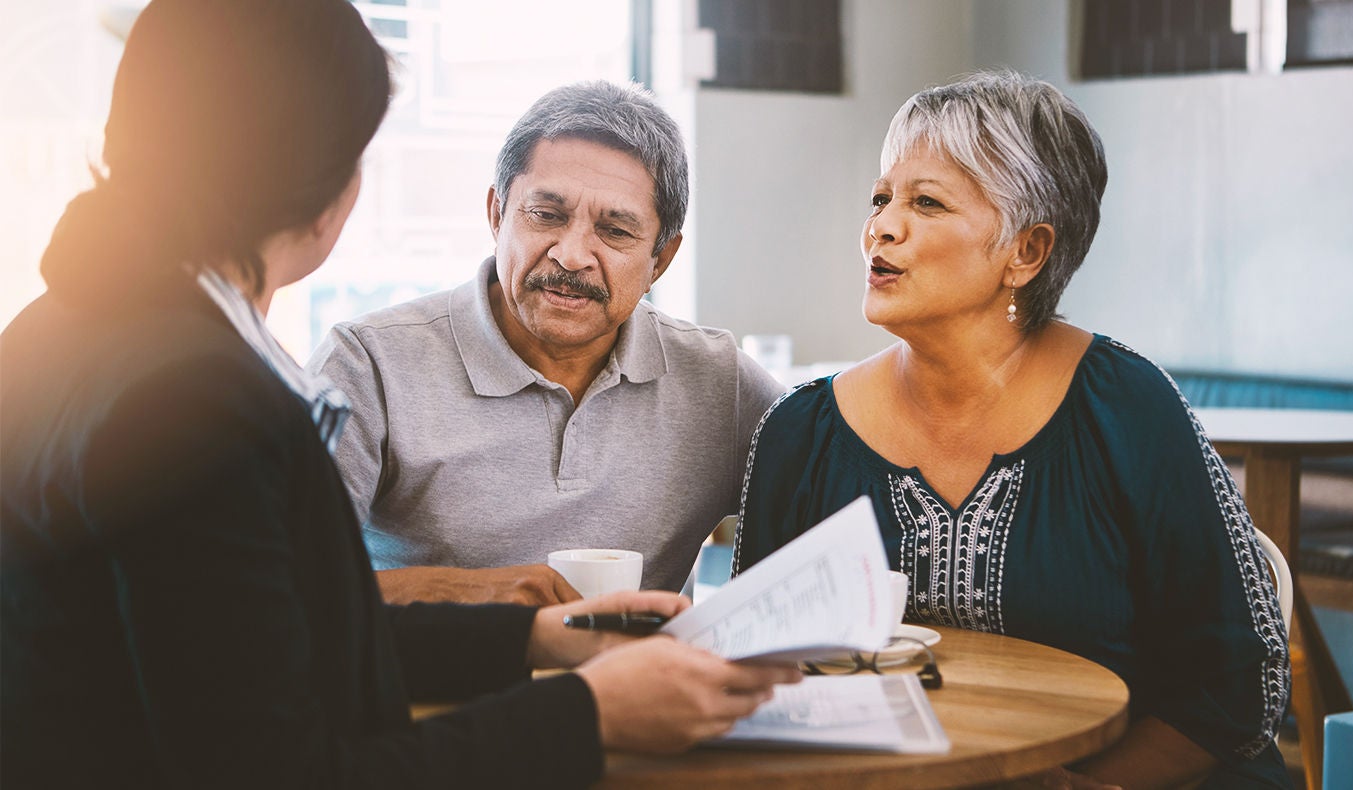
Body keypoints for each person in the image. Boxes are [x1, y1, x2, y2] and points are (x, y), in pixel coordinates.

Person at [0, 2, 798, 787]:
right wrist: (590, 714)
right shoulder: (199, 405)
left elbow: (250, 647)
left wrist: (532, 639)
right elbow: (286, 770)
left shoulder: (58, 329)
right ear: (327, 193)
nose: (572, 253)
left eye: (615, 230)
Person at [730, 70, 1292, 788]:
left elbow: (1235, 684)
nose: (881, 227)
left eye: (926, 202)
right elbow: (750, 675)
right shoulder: (800, 432)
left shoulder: (1127, 408)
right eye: (881, 199)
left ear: (1025, 252)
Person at [307, 81, 784, 607]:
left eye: (616, 231)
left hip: (639, 665)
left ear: (660, 260)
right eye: (546, 215)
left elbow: (843, 499)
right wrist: (469, 594)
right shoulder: (367, 364)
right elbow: (278, 587)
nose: (572, 255)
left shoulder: (719, 383)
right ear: (497, 215)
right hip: (425, 665)